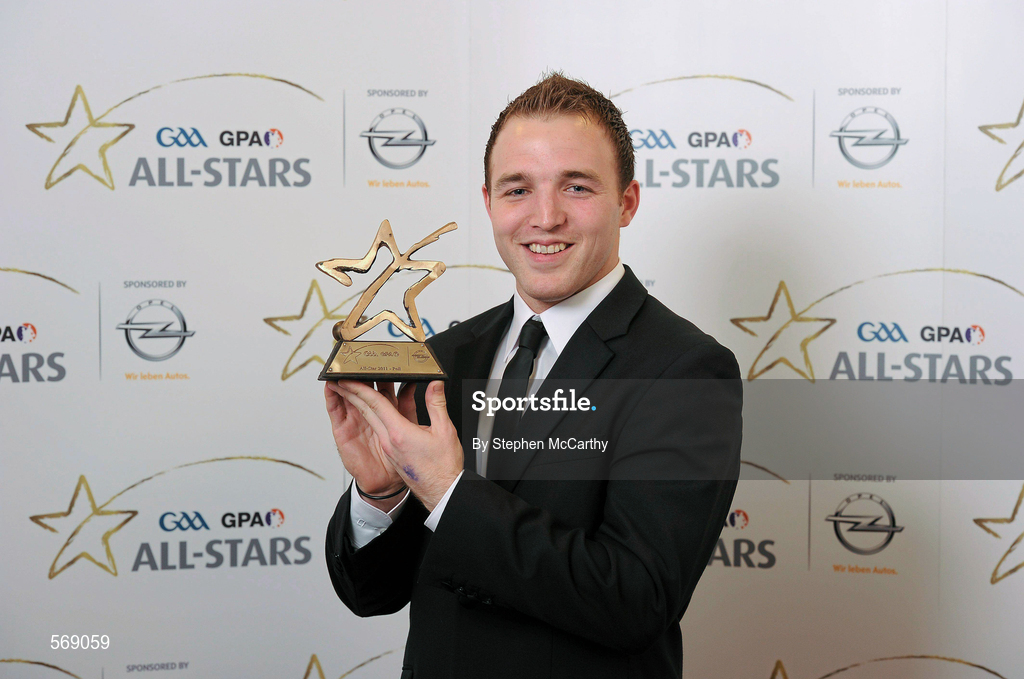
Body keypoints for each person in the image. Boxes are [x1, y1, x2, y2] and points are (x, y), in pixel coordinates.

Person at [323, 73, 742, 679]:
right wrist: (382, 494)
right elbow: (372, 595)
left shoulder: (685, 371)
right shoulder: (445, 356)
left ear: (627, 201)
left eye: (576, 186)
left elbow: (635, 600)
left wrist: (447, 491)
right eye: (518, 189)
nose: (545, 217)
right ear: (490, 203)